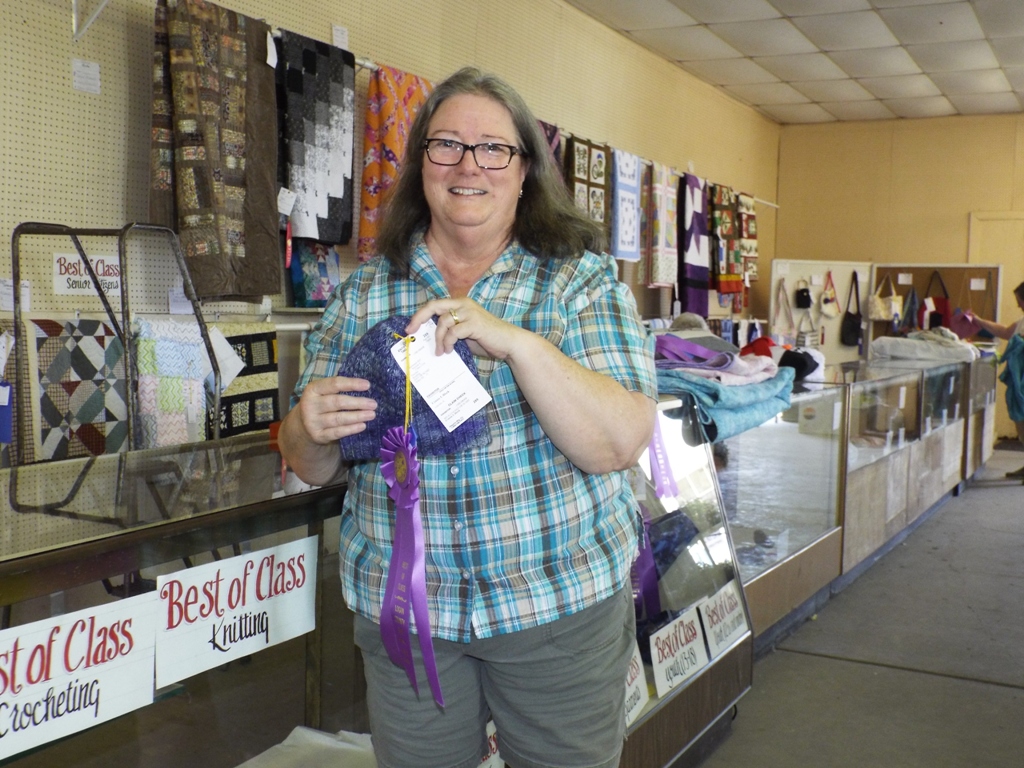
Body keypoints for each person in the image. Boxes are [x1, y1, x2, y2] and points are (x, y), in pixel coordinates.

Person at [279, 66, 657, 768]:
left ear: (525, 170)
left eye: (494, 149)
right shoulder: (364, 292)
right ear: (421, 161)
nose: (468, 165)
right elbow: (311, 463)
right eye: (447, 144)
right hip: (409, 618)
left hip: (555, 610)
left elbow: (621, 443)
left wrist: (517, 344)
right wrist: (309, 422)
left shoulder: (578, 280)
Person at [968, 280, 1024, 478]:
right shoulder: (1022, 321)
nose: (1018, 305)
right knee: (1021, 420)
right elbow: (1006, 332)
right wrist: (979, 320)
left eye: (1020, 301)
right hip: (1019, 381)